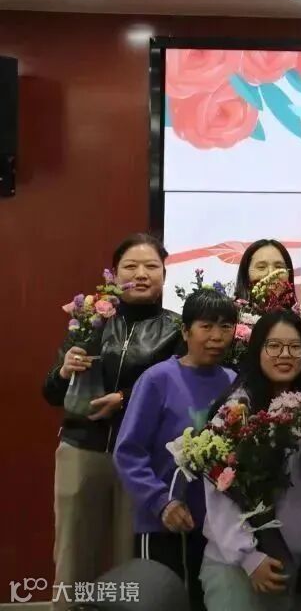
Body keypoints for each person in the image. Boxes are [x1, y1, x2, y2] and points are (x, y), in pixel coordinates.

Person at [42, 233, 183, 611]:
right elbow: (52, 393)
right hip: (82, 450)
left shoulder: (177, 329)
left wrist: (123, 399)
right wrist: (63, 371)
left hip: (139, 461)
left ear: (164, 274)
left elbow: (175, 393)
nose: (141, 274)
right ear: (115, 274)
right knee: (73, 558)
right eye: (130, 266)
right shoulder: (91, 322)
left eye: (151, 266)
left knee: (129, 562)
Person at [114, 288, 238, 611]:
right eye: (206, 326)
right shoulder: (157, 380)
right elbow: (128, 452)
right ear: (185, 331)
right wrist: (161, 503)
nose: (216, 336)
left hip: (214, 527)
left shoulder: (233, 382)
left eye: (226, 327)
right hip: (162, 523)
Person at [200, 310, 301, 611]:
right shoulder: (237, 409)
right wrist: (248, 556)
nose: (285, 355)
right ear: (257, 350)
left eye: (295, 347)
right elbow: (218, 488)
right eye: (274, 346)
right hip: (238, 568)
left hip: (290, 565)